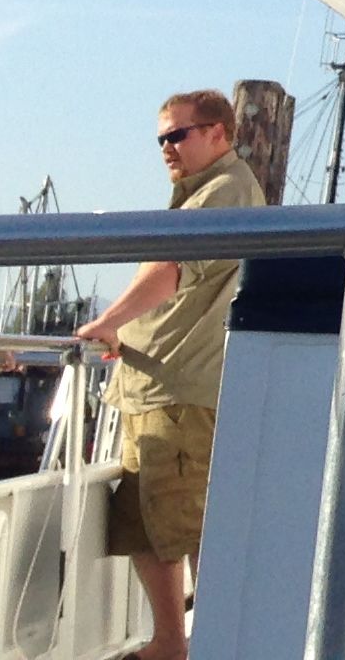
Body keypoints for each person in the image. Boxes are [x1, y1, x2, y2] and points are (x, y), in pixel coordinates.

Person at [76, 91, 267, 660]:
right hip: (153, 388)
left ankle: (208, 646)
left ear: (219, 133)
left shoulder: (227, 190)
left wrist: (108, 323)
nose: (166, 147)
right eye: (161, 138)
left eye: (178, 135)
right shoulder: (198, 196)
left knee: (190, 529)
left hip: (180, 394)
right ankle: (169, 645)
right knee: (145, 524)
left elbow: (172, 268)